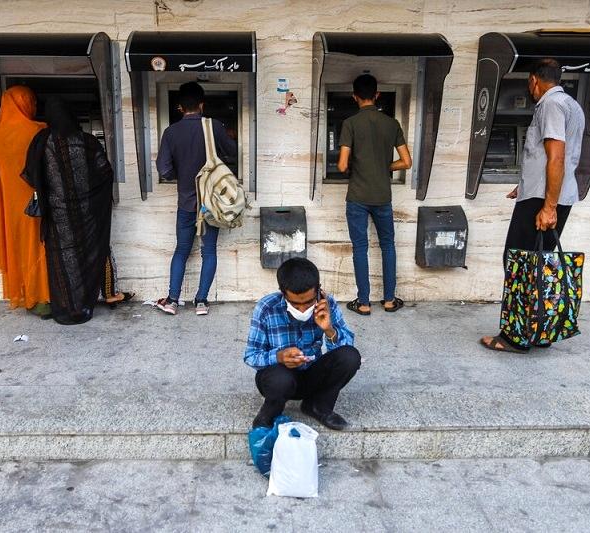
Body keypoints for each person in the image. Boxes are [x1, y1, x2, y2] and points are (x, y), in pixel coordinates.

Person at [481, 58, 585, 353]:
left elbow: (556, 156)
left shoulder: (550, 105)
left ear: (534, 81)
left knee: (518, 265)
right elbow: (549, 158)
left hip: (544, 201)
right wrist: (526, 185)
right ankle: (540, 331)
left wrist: (547, 206)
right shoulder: (572, 105)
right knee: (541, 267)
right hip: (552, 195)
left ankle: (514, 337)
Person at [23, 97, 131, 325]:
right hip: (88, 213)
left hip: (58, 215)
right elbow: (105, 172)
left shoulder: (42, 141)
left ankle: (69, 307)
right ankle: (97, 298)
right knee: (96, 250)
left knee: (63, 259)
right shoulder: (88, 142)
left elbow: (31, 175)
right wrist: (92, 196)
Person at [244, 258, 361, 431]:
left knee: (350, 357)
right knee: (280, 379)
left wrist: (329, 330)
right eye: (295, 304)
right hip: (279, 378)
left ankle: (318, 406)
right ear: (283, 293)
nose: (302, 309)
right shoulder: (266, 307)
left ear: (318, 289)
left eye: (308, 302)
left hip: (312, 375)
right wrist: (279, 356)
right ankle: (269, 413)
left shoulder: (327, 303)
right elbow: (251, 356)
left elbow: (346, 347)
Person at [155, 82, 237, 317]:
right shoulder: (215, 126)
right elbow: (232, 152)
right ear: (202, 105)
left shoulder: (170, 132)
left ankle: (172, 300)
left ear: (180, 107)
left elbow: (164, 170)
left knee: (181, 250)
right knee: (209, 252)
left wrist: (181, 174)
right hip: (211, 203)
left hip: (186, 203)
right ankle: (201, 302)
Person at [337, 74, 412, 316]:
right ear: (377, 95)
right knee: (388, 246)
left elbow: (342, 165)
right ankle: (389, 300)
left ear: (354, 97)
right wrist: (384, 166)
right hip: (382, 197)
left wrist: (356, 166)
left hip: (357, 197)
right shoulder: (392, 124)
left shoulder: (350, 123)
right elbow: (406, 161)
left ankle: (364, 303)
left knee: (360, 248)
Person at [0, 85, 51, 316]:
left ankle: (27, 296)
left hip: (9, 204)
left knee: (19, 249)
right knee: (39, 247)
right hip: (36, 202)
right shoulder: (39, 129)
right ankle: (43, 298)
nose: (34, 106)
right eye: (31, 101)